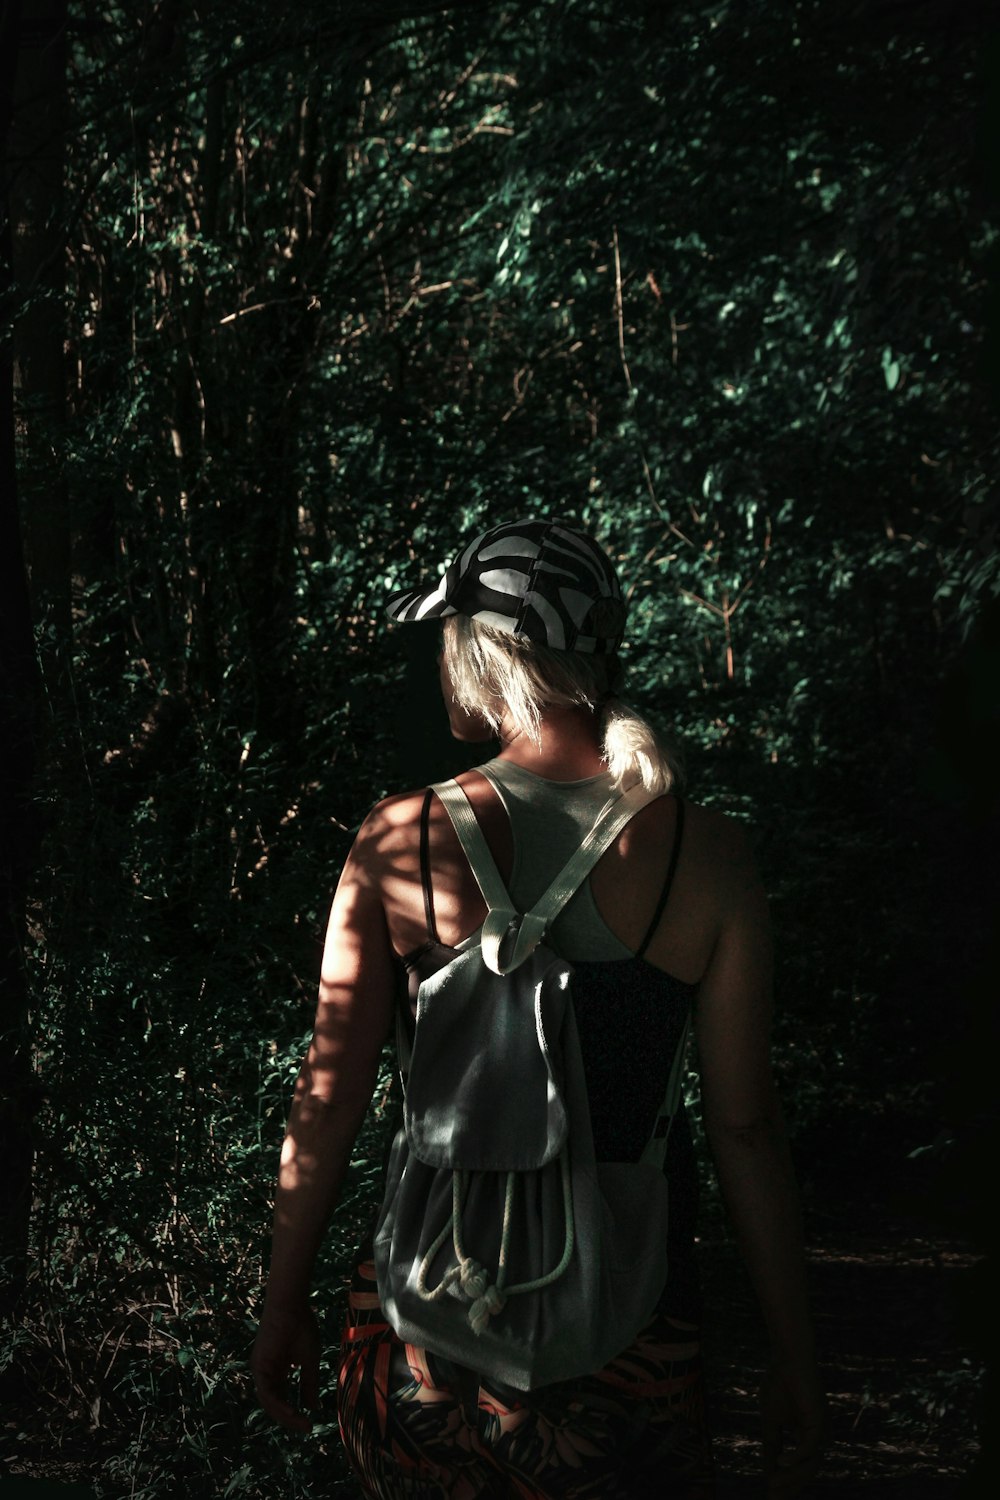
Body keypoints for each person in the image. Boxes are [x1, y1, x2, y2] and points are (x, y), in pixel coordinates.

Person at [251, 518, 827, 1498]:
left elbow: (331, 1096)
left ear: (487, 652)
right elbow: (744, 1125)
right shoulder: (708, 856)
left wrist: (278, 1302)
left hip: (425, 1316)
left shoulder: (398, 838)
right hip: (631, 1322)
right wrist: (795, 1353)